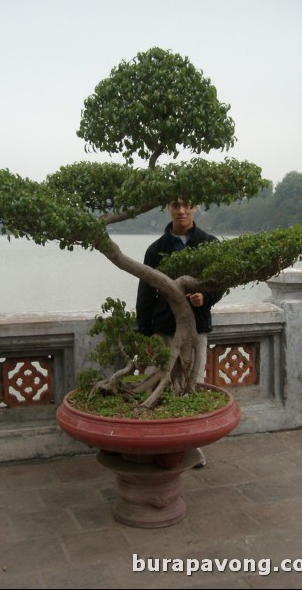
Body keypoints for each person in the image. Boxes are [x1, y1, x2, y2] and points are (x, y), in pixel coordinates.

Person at [136, 199, 224, 468]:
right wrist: (143, 331)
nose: (181, 211)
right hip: (163, 328)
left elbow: (221, 281)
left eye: (187, 205)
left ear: (196, 207)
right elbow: (145, 293)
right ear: (168, 208)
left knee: (190, 385)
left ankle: (189, 447)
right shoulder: (156, 250)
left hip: (194, 327)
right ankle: (156, 444)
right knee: (158, 385)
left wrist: (205, 297)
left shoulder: (209, 244)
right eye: (175, 205)